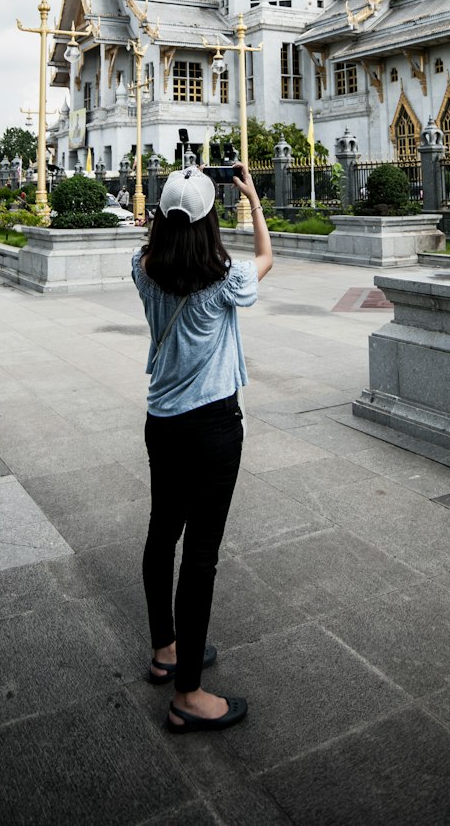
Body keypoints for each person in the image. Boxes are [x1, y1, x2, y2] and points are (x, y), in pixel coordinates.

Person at [132, 161, 271, 734]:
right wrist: (255, 200)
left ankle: (166, 650)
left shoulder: (142, 268)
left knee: (163, 532)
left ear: (162, 217)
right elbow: (267, 258)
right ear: (214, 221)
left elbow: (154, 241)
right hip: (213, 427)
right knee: (202, 555)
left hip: (161, 422)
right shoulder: (226, 279)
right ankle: (188, 694)